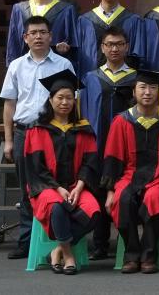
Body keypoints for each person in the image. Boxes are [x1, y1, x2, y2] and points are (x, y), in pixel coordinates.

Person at [0, 15, 76, 259]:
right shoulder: (16, 66)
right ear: (25, 37)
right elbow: (9, 104)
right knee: (27, 189)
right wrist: (9, 140)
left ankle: (58, 240)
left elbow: (74, 101)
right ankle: (26, 241)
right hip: (24, 132)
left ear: (51, 36)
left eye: (43, 32)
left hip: (54, 134)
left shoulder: (63, 64)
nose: (38, 36)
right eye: (33, 33)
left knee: (57, 186)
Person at [101, 69, 159, 274]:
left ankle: (148, 255)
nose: (147, 92)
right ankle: (132, 254)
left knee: (154, 199)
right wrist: (110, 191)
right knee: (122, 200)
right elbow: (112, 157)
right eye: (142, 87)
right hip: (129, 176)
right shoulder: (122, 121)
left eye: (153, 88)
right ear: (134, 92)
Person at [23, 69, 100, 275]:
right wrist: (57, 188)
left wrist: (80, 186)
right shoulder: (38, 129)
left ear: (75, 101)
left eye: (69, 98)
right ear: (50, 100)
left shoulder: (83, 128)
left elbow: (90, 162)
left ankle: (57, 250)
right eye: (60, 98)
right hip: (46, 187)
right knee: (57, 206)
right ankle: (68, 255)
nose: (65, 102)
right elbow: (36, 167)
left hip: (75, 185)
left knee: (93, 212)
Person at [79, 25, 138, 259]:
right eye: (110, 44)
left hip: (128, 144)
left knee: (125, 191)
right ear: (102, 48)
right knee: (100, 190)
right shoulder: (90, 78)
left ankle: (129, 243)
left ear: (127, 47)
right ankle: (100, 243)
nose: (114, 49)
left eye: (119, 44)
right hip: (99, 142)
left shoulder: (136, 79)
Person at [76, 0, 150, 78]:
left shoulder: (133, 20)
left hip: (124, 81)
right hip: (91, 81)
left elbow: (138, 57)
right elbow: (79, 56)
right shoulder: (85, 21)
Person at [6, 0, 76, 67]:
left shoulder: (66, 10)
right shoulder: (19, 9)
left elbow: (73, 44)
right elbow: (13, 43)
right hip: (26, 67)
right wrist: (12, 67)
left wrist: (66, 48)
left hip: (55, 66)